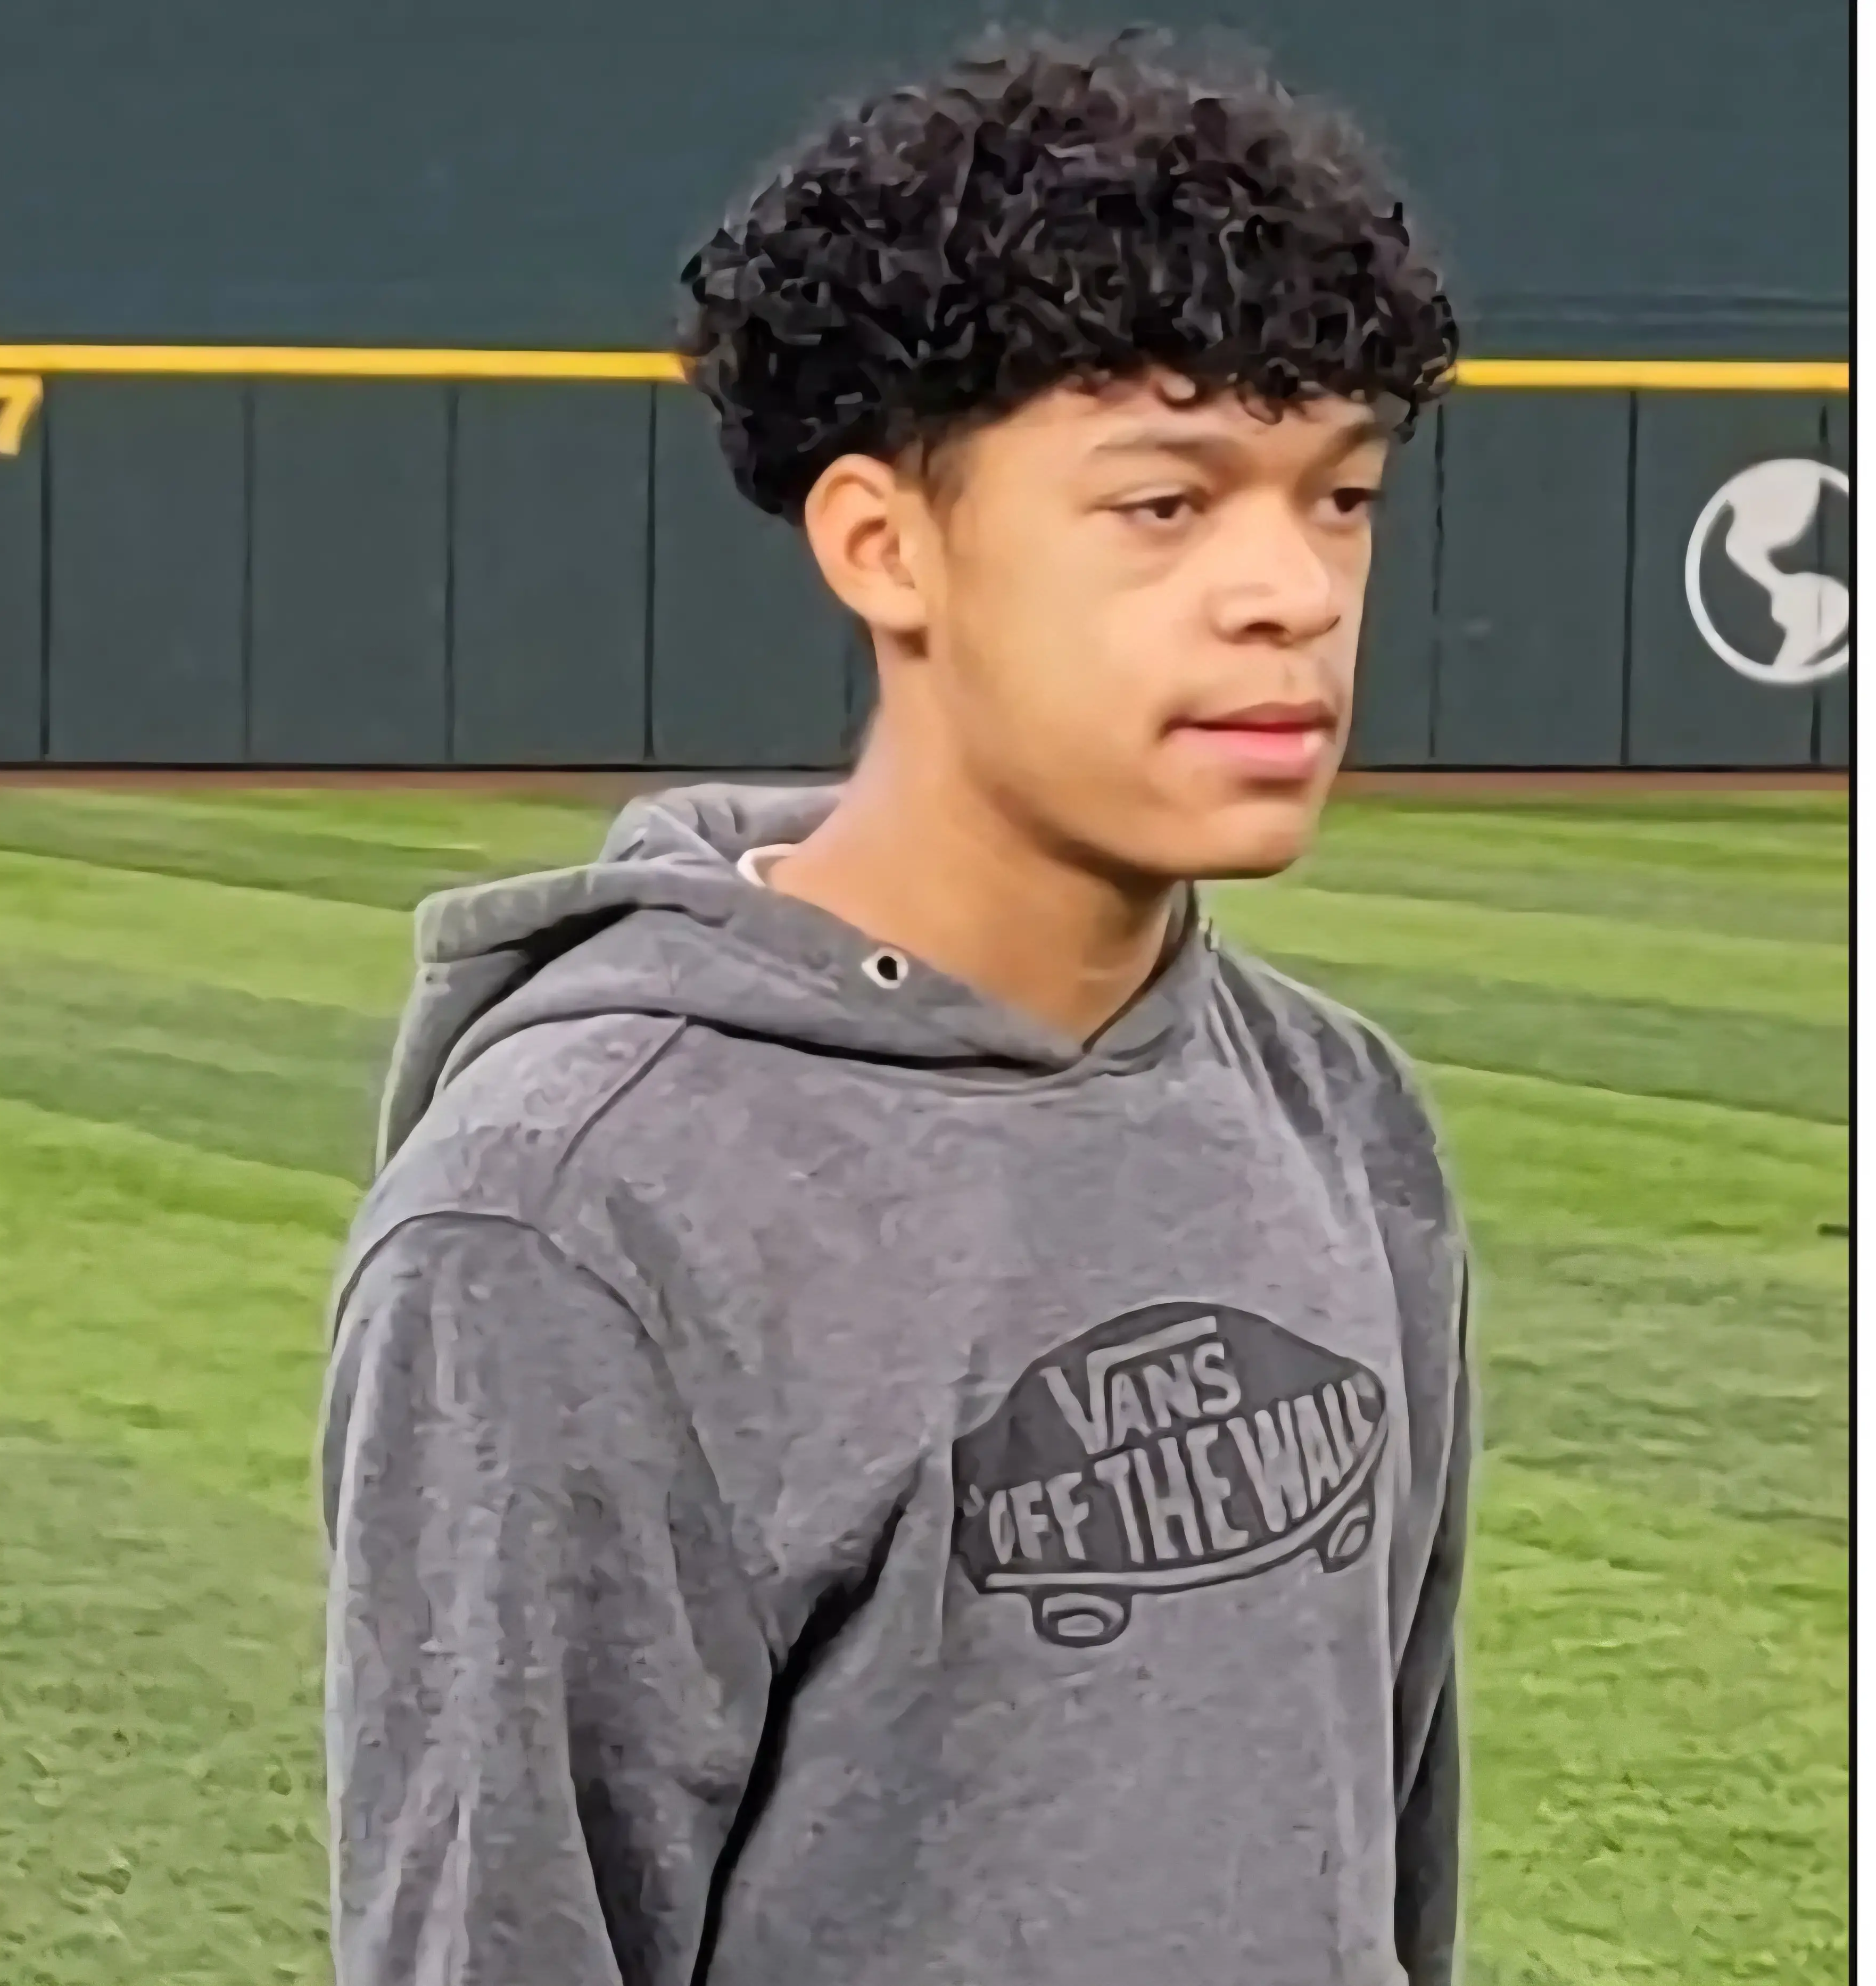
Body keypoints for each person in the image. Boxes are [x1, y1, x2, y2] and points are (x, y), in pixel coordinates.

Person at [321, 27, 1473, 1986]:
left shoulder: (1342, 1120)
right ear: (883, 544)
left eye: (1339, 496)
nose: (1291, 591)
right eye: (1166, 503)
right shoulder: (571, 1217)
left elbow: (1385, 1867)